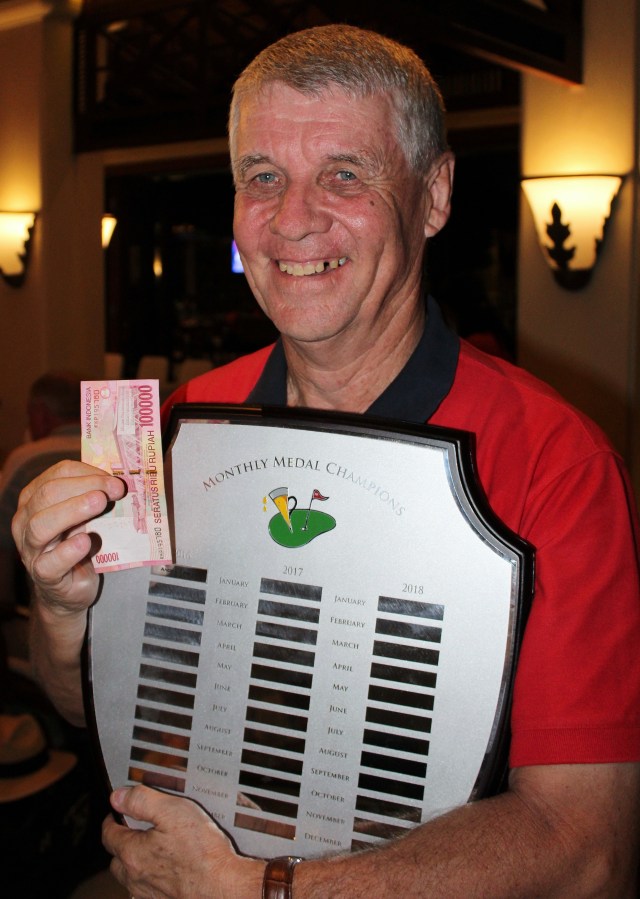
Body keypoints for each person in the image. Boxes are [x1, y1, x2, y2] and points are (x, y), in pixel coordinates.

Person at [10, 24, 640, 898]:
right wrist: (60, 609)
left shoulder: (556, 463)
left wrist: (266, 888)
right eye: (262, 176)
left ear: (434, 196)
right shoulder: (182, 430)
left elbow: (587, 849)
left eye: (345, 174)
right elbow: (97, 710)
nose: (293, 219)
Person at [0, 372, 81, 620]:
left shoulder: (25, 458)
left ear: (40, 414)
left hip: (44, 604)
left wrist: (5, 605)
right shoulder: (111, 453)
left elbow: (2, 538)